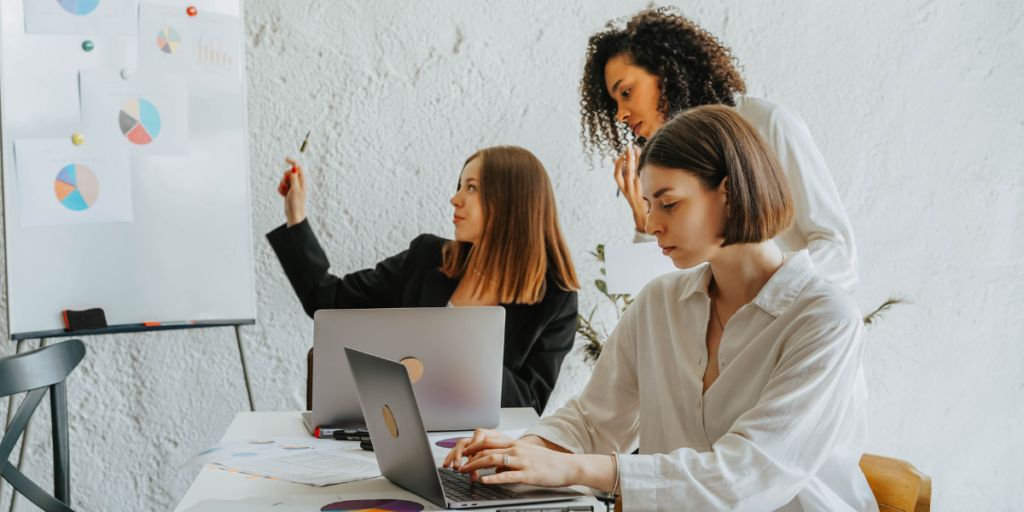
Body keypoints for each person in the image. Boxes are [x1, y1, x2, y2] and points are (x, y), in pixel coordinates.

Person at [444, 106, 877, 512]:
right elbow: (595, 421)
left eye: (667, 203)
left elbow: (749, 476)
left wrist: (573, 469)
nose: (651, 225)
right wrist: (519, 451)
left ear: (729, 191)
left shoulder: (824, 319)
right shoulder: (659, 303)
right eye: (648, 205)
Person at [266, 146, 580, 414]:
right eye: (460, 185)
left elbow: (530, 406)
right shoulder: (427, 257)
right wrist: (296, 216)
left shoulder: (555, 299)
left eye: (471, 187)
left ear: (511, 202)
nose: (454, 199)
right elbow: (327, 300)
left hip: (473, 450)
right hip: (394, 429)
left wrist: (461, 345)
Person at [582, 7, 859, 289]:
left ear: (665, 73)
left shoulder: (766, 123)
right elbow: (658, 291)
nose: (619, 115)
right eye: (614, 103)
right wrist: (644, 220)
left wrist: (766, 297)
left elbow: (838, 253)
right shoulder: (664, 163)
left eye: (626, 92)